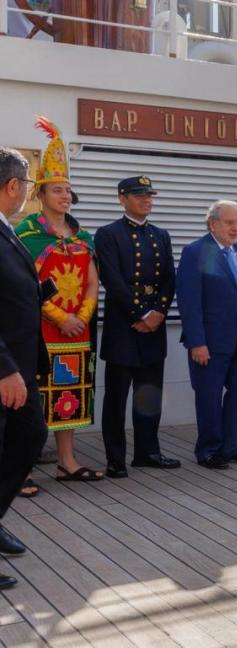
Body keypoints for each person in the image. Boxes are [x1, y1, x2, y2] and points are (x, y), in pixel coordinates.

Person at [16, 117, 103, 483]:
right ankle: (18, 469)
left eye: (68, 190)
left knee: (70, 394)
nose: (65, 196)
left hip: (76, 331)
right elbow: (23, 285)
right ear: (40, 194)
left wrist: (80, 316)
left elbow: (92, 282)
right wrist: (58, 317)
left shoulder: (83, 235)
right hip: (37, 330)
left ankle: (66, 461)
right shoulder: (25, 233)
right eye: (57, 190)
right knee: (29, 401)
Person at [95, 176, 180, 479]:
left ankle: (148, 452)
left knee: (149, 394)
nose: (147, 200)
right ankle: (115, 458)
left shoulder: (161, 234)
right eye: (139, 195)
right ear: (122, 199)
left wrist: (158, 311)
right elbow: (112, 280)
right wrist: (140, 313)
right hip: (123, 325)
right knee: (116, 398)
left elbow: (170, 277)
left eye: (149, 195)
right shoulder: (107, 234)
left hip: (154, 326)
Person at [176, 200, 237, 469]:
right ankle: (209, 450)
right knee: (209, 397)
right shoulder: (196, 252)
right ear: (213, 224)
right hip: (210, 342)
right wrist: (197, 341)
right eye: (229, 222)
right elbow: (189, 301)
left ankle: (233, 447)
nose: (236, 228)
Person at [0, 147, 50, 590]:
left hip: (20, 361)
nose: (28, 196)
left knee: (31, 435)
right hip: (4, 368)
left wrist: (44, 286)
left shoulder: (7, 228)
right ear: (13, 186)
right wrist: (4, 368)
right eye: (29, 187)